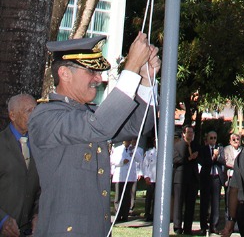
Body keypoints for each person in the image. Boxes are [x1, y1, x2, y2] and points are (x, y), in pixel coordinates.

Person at [29, 33, 159, 237]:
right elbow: (100, 126)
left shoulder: (87, 114)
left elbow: (138, 125)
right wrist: (131, 68)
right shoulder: (45, 117)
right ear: (64, 73)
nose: (99, 79)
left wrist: (145, 79)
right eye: (92, 71)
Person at [0, 93, 39, 237]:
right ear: (12, 115)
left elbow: (43, 187)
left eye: (35, 110)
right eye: (28, 111)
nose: (34, 115)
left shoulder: (40, 146)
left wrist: (37, 213)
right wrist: (2, 220)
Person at [174, 125, 200, 235]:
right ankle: (177, 227)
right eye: (188, 132)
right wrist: (189, 158)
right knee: (179, 203)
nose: (190, 134)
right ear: (183, 133)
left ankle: (188, 227)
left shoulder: (195, 145)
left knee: (190, 204)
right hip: (180, 178)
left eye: (192, 132)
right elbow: (175, 159)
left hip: (192, 178)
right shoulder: (177, 145)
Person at [199, 131, 225, 234]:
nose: (213, 140)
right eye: (211, 138)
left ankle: (214, 226)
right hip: (206, 178)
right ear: (207, 139)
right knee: (204, 203)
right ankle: (203, 226)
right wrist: (213, 158)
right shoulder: (203, 149)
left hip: (216, 178)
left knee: (216, 203)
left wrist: (217, 157)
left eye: (215, 138)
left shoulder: (220, 149)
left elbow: (223, 160)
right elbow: (205, 163)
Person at [111, 139, 137, 221]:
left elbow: (139, 159)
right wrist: (122, 162)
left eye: (129, 141)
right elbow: (112, 160)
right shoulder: (117, 149)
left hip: (129, 177)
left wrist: (134, 150)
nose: (128, 143)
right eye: (127, 141)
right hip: (120, 176)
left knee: (127, 197)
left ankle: (125, 215)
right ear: (123, 141)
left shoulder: (132, 149)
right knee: (118, 196)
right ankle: (118, 214)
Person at [142, 141, 157, 222]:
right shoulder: (149, 153)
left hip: (159, 179)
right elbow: (144, 165)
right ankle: (147, 214)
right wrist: (146, 176)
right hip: (151, 178)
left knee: (156, 198)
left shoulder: (165, 152)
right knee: (149, 198)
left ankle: (155, 214)